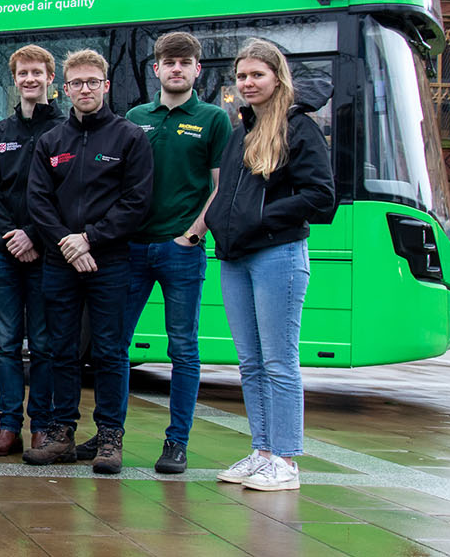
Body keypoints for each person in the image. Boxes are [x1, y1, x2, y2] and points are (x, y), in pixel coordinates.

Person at [96, 31, 232, 474]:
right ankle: (107, 435)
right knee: (112, 346)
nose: (176, 69)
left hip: (181, 251)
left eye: (184, 62)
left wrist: (192, 234)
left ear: (197, 69)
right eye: (168, 62)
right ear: (156, 69)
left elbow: (220, 186)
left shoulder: (213, 120)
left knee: (183, 350)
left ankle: (176, 443)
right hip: (131, 250)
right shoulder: (136, 116)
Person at [207, 39, 334, 491]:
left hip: (278, 254)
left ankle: (286, 458)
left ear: (277, 77)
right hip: (237, 257)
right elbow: (227, 193)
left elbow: (321, 197)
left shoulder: (299, 128)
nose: (247, 83)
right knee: (250, 362)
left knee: (280, 360)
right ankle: (262, 450)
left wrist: (261, 218)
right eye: (241, 76)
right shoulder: (241, 129)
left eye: (256, 75)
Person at [23, 49, 153, 474]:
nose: (84, 89)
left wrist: (89, 239)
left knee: (111, 352)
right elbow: (38, 201)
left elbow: (137, 202)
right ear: (65, 87)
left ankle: (110, 439)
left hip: (110, 260)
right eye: (76, 83)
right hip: (60, 262)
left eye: (92, 82)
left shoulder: (130, 137)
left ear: (105, 86)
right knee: (60, 349)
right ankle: (61, 434)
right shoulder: (51, 141)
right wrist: (66, 242)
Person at [0, 45, 65, 457]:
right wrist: (12, 235)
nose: (30, 79)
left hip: (48, 254)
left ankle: (41, 427)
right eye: (23, 73)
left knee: (44, 346)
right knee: (7, 346)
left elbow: (64, 195)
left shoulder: (65, 131)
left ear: (51, 78)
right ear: (15, 79)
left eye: (38, 72)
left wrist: (33, 235)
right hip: (2, 254)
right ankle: (9, 426)